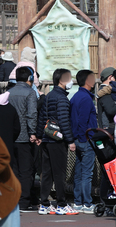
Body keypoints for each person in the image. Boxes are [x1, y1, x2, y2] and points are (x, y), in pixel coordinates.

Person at [36, 69, 78, 216]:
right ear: (61, 80)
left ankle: (44, 204)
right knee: (59, 174)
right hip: (57, 140)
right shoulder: (62, 99)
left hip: (47, 139)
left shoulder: (48, 96)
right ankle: (61, 204)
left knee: (47, 173)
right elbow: (64, 121)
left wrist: (39, 135)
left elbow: (42, 117)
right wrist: (70, 140)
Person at [8, 67, 38, 210]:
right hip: (25, 137)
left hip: (11, 137)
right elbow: (31, 114)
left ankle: (13, 199)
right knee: (26, 170)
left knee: (14, 170)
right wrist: (33, 132)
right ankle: (24, 201)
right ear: (30, 79)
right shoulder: (30, 93)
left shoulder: (8, 92)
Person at [71, 70, 98, 214]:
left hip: (78, 139)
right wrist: (84, 138)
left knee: (79, 173)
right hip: (86, 140)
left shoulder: (76, 96)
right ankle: (87, 204)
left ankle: (78, 202)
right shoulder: (86, 98)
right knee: (87, 174)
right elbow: (83, 121)